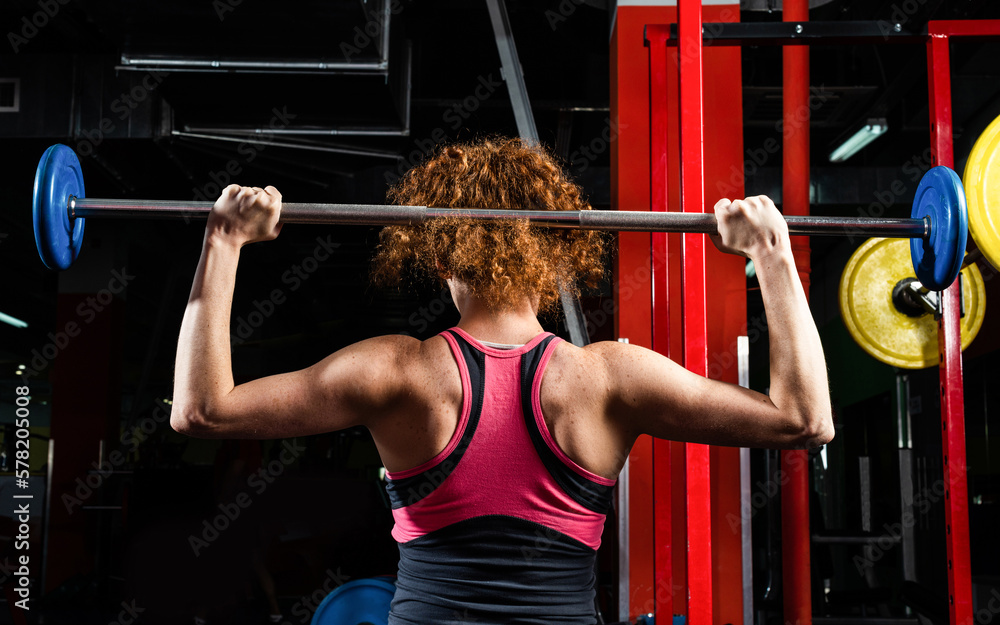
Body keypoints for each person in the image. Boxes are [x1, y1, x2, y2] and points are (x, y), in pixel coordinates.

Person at [171, 137, 834, 624]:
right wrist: (769, 254)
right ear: (556, 250)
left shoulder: (395, 371)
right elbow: (806, 419)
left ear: (434, 252)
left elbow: (200, 411)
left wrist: (223, 241)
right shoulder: (608, 378)